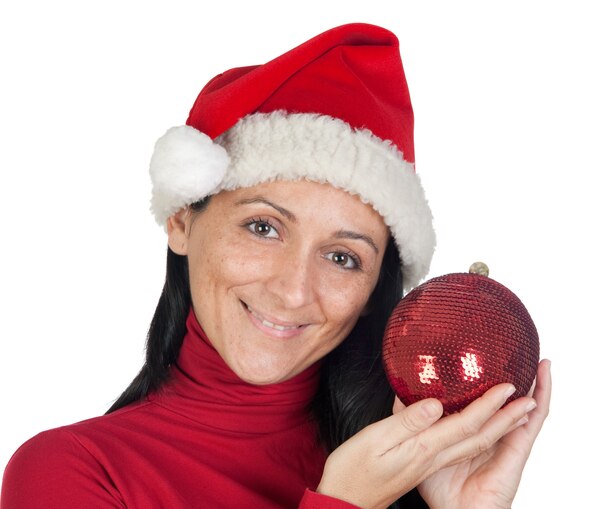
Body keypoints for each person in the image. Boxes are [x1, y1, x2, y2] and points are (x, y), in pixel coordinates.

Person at [1, 22, 551, 509]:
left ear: (373, 290)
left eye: (342, 257)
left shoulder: (407, 475)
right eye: (263, 227)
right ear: (182, 222)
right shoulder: (70, 472)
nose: (293, 291)